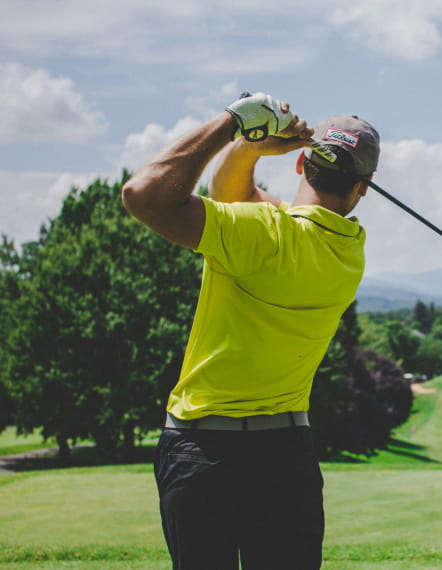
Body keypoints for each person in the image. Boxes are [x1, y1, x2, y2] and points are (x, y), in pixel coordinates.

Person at [122, 92, 380, 569]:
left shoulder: (259, 232)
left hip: (201, 451)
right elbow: (237, 198)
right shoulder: (349, 255)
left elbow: (143, 194)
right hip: (286, 457)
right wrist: (248, 149)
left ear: (302, 162)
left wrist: (238, 124)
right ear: (362, 189)